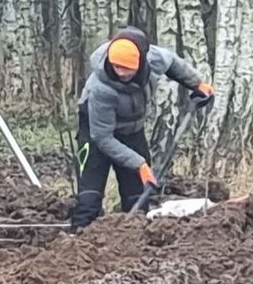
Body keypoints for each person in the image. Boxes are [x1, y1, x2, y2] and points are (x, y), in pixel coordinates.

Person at [71, 25, 215, 231]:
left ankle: (135, 241)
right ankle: (77, 240)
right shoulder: (101, 89)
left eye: (127, 68)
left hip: (132, 129)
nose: (121, 73)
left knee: (138, 196)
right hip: (96, 134)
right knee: (90, 198)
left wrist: (197, 84)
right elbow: (102, 137)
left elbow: (173, 63)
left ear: (140, 63)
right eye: (117, 67)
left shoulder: (153, 59)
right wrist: (139, 163)